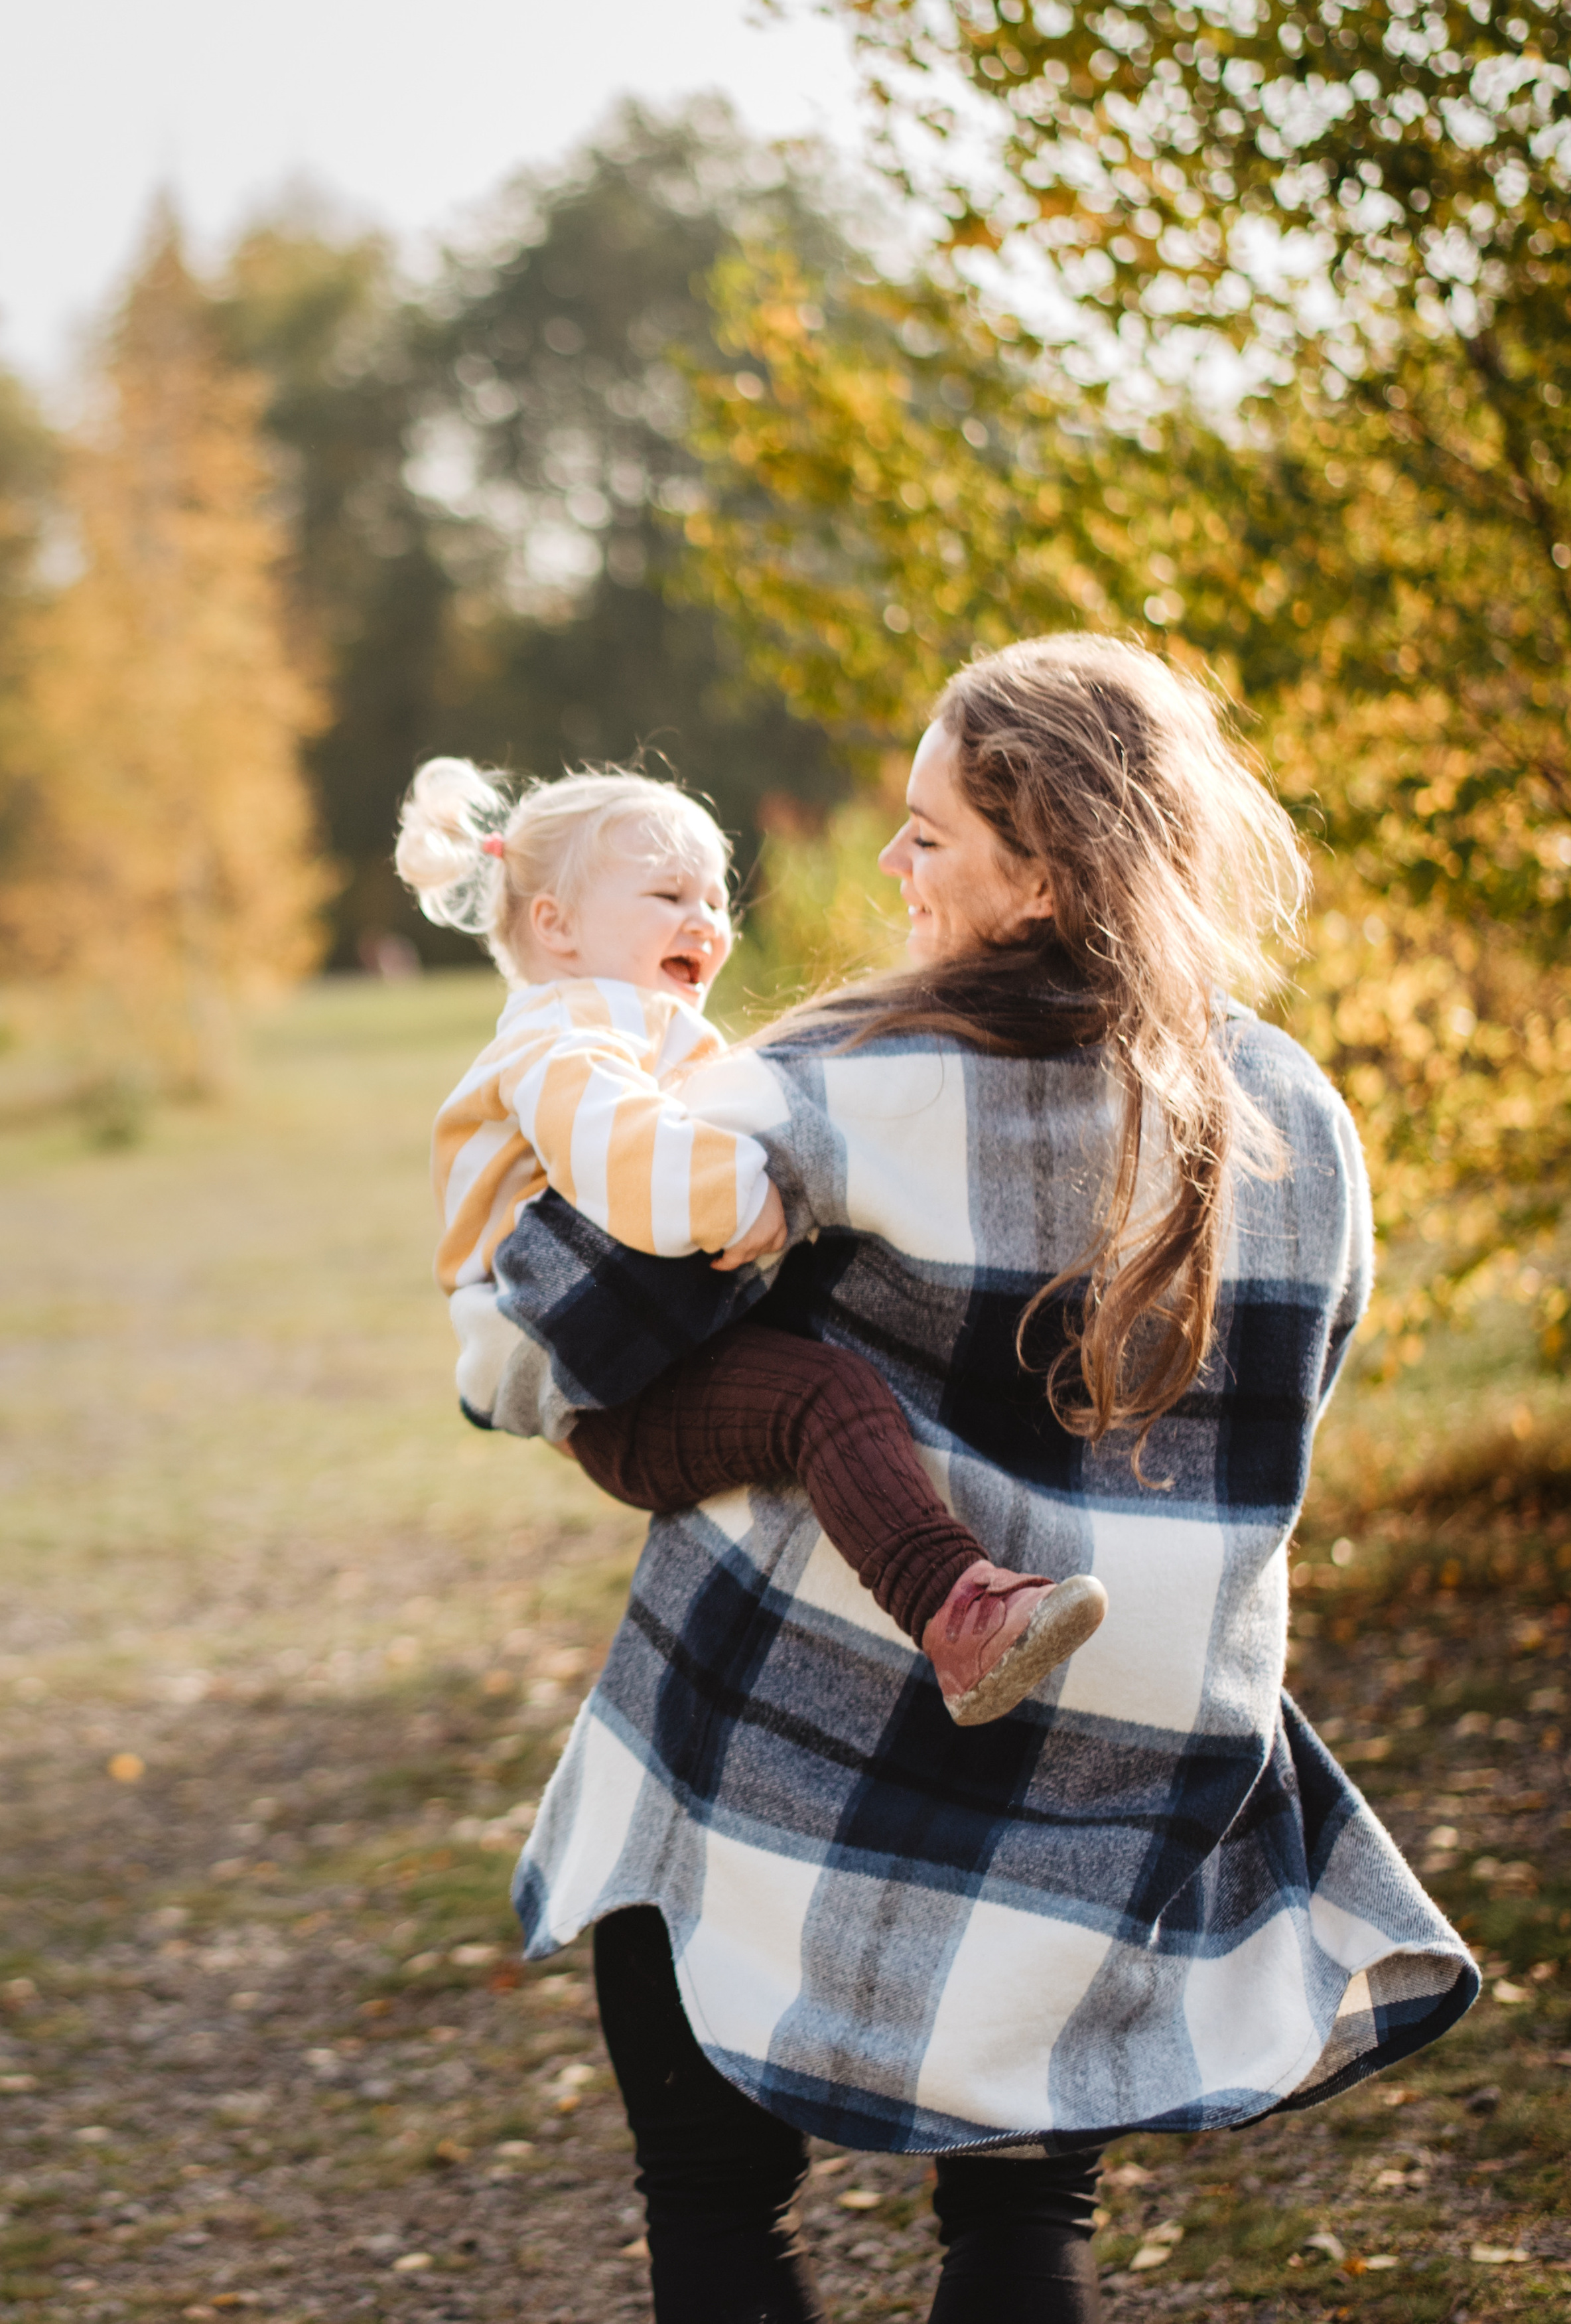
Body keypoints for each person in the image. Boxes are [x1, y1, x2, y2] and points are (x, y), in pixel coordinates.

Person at [489, 636, 1480, 2324]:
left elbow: (542, 1348)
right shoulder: (1296, 1117)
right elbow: (1286, 1414)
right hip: (1115, 1781)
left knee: (717, 2211)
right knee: (1022, 2239)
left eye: (928, 833)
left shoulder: (844, 1078)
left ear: (1039, 874)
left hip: (787, 1759)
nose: (889, 865)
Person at [394, 757, 1108, 1726]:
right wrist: (738, 1200)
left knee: (835, 1383)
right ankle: (960, 1618)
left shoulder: (628, 1024)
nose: (707, 923)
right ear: (554, 925)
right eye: (667, 895)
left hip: (629, 1358)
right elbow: (618, 1151)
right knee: (826, 1399)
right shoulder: (560, 1039)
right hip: (597, 1374)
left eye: (715, 900)